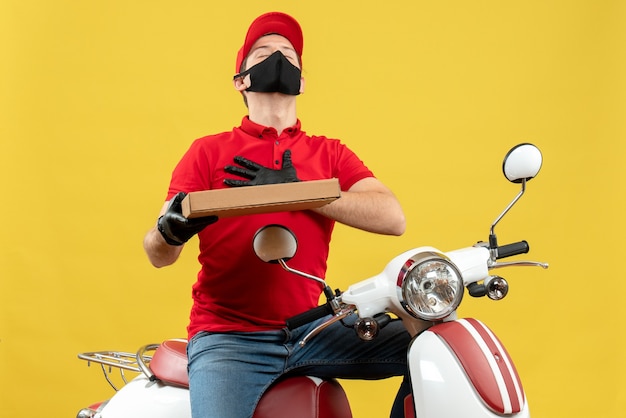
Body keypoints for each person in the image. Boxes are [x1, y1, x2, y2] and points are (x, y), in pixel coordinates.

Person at [143, 11, 411, 418]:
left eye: (289, 54)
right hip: (229, 339)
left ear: (301, 82)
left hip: (313, 330)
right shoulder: (207, 152)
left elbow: (393, 218)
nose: (279, 57)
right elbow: (157, 253)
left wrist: (299, 191)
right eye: (264, 52)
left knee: (433, 347)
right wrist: (169, 232)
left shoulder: (329, 153)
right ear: (241, 80)